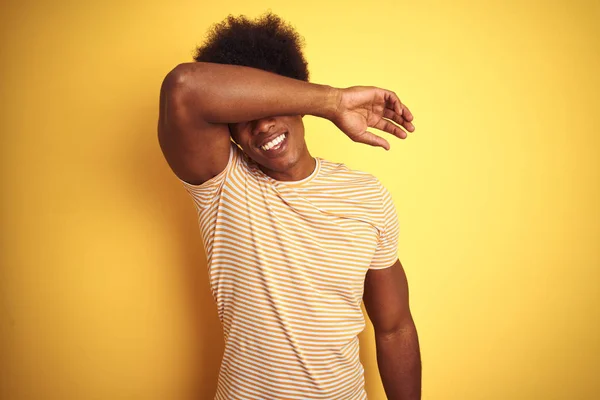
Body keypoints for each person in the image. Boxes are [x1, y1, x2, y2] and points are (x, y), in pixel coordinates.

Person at [157, 11, 421, 400]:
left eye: (275, 105)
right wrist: (331, 101)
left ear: (298, 103)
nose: (262, 126)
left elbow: (395, 326)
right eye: (244, 115)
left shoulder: (367, 195)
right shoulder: (224, 183)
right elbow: (183, 87)